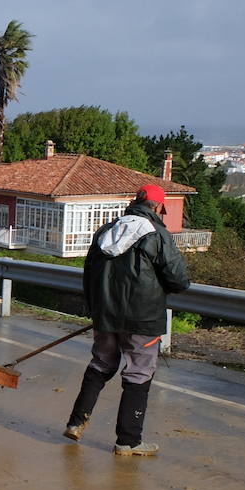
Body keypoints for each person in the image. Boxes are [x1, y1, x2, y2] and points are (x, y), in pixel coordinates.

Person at [64, 185, 190, 457]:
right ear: (158, 207)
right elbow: (179, 280)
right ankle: (128, 441)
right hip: (142, 320)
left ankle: (76, 422)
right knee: (138, 372)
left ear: (136, 202)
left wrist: (96, 309)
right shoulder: (157, 235)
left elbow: (89, 274)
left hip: (105, 315)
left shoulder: (105, 231)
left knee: (100, 364)